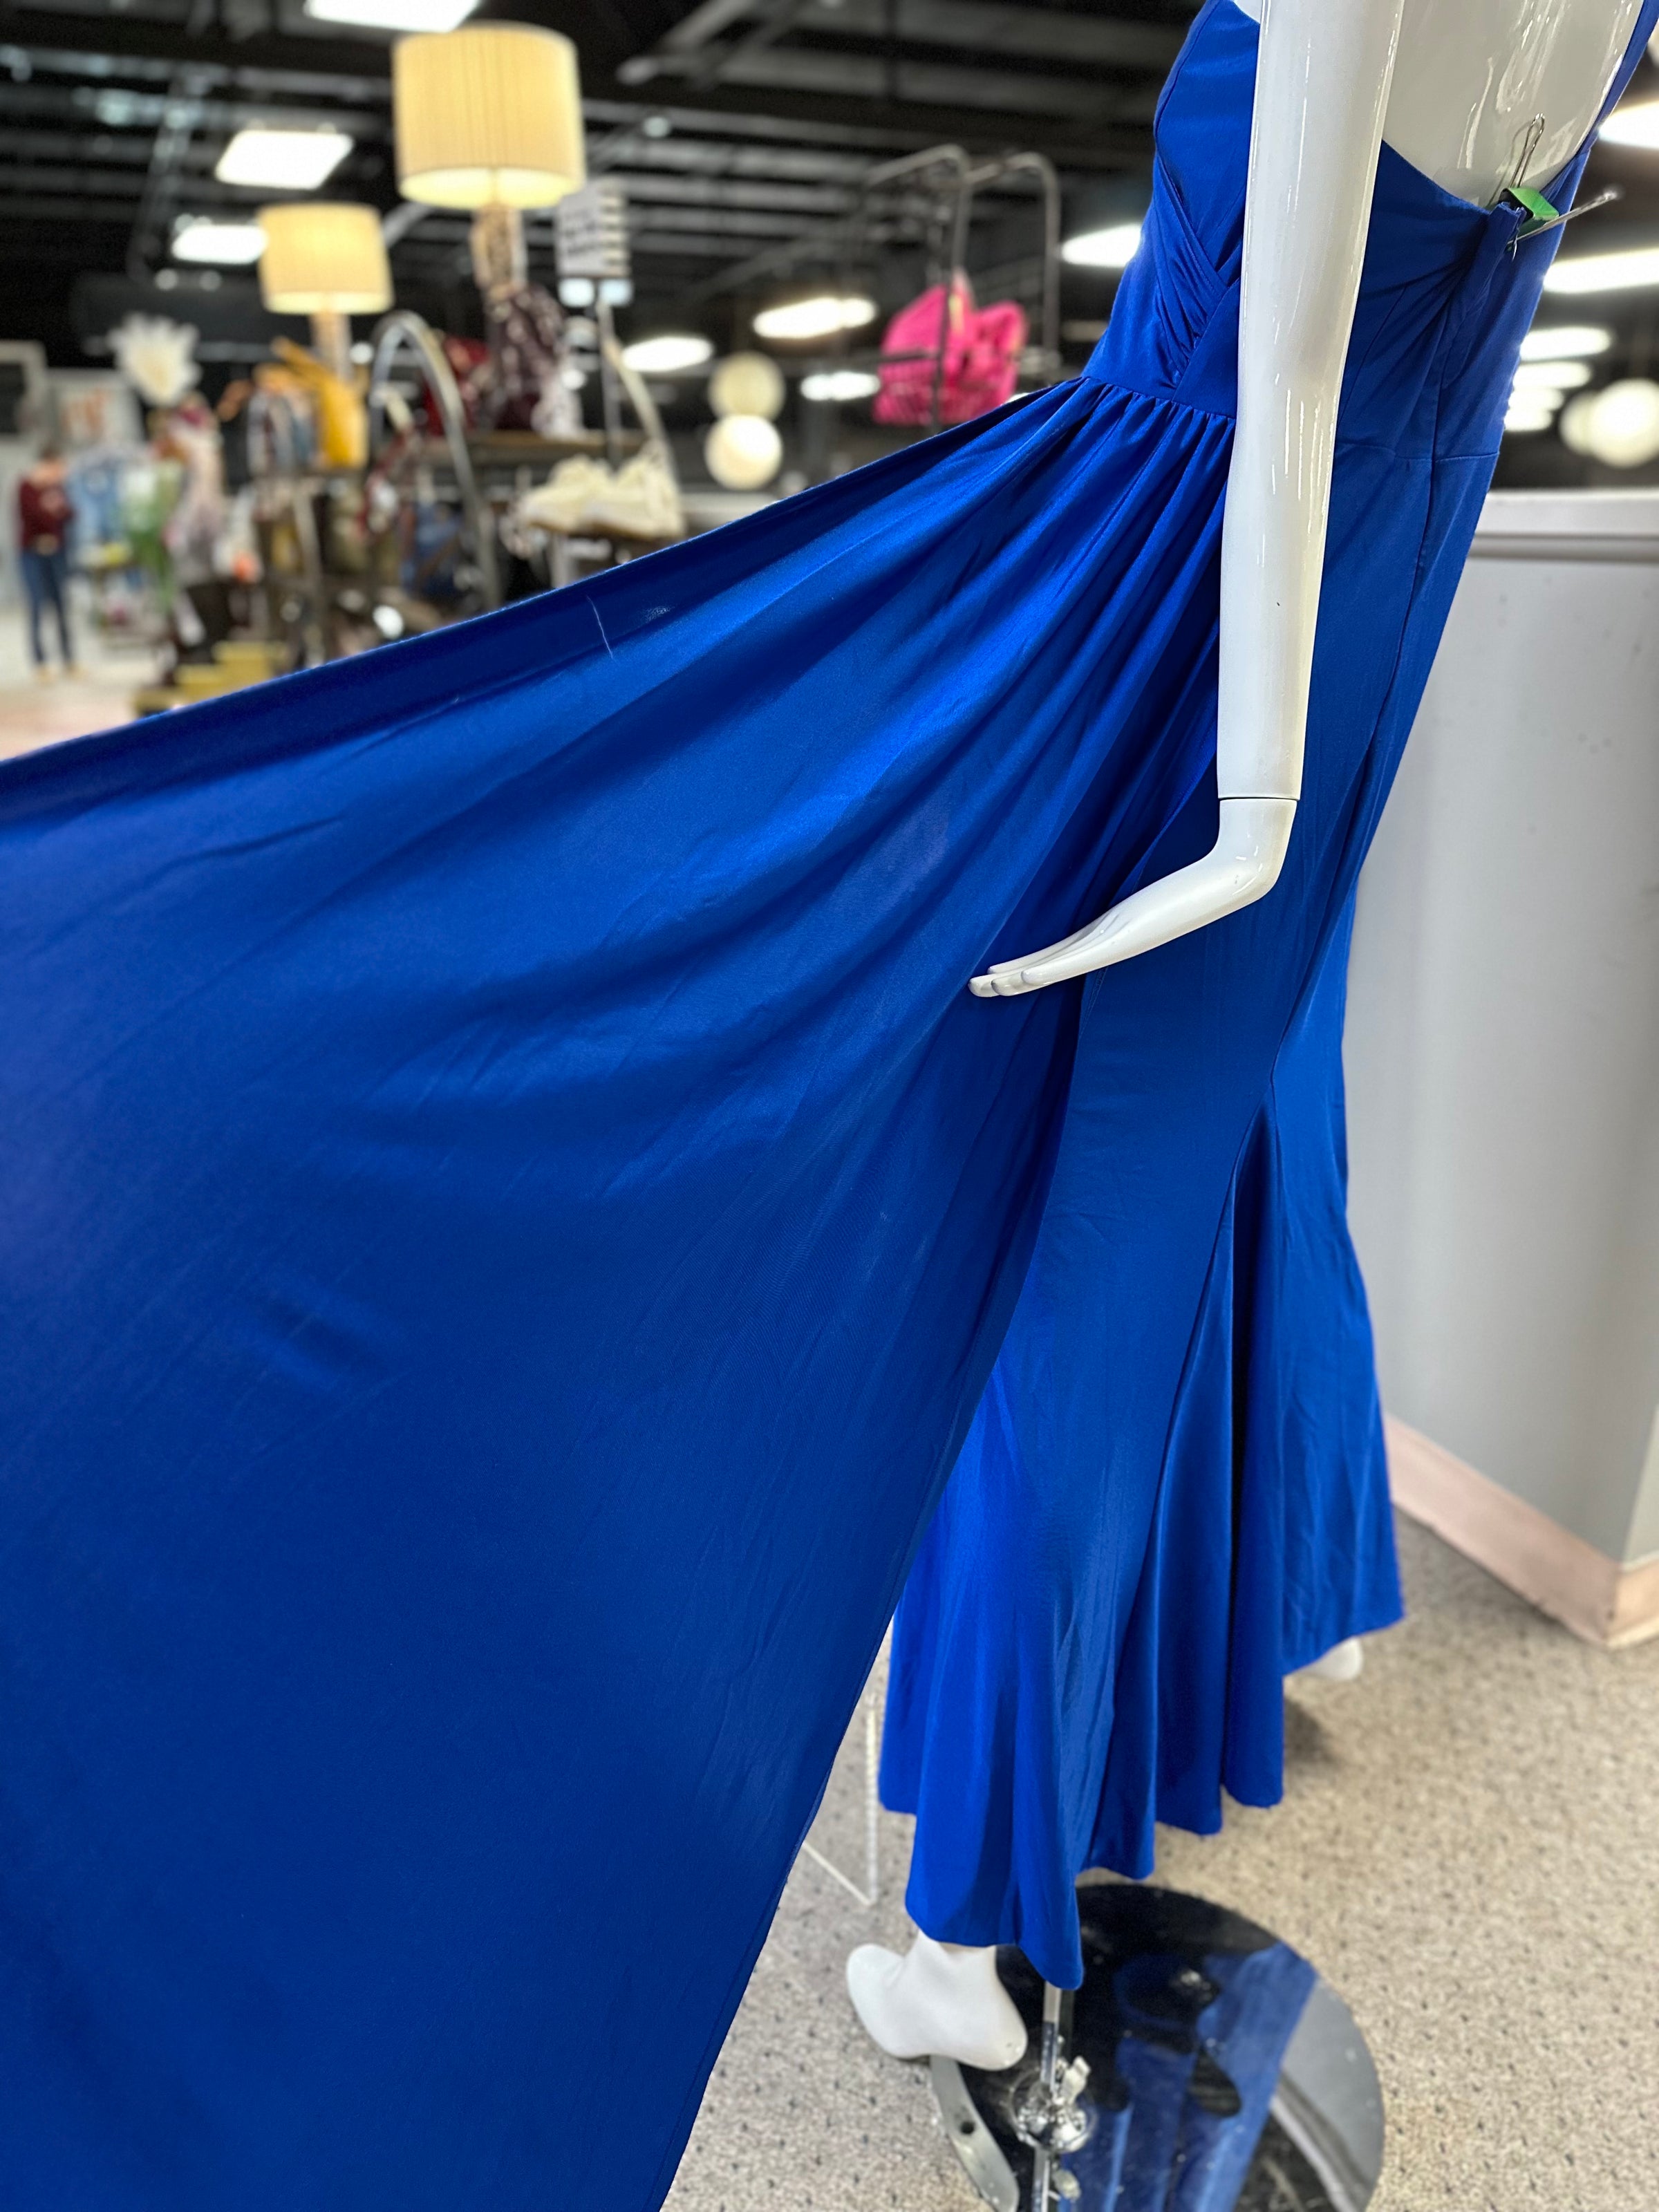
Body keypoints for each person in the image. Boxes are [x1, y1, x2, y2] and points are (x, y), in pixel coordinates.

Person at [16, 441, 77, 679]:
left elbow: (70, 514)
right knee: (36, 606)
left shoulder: (56, 488)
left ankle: (69, 659)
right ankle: (40, 663)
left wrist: (57, 505)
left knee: (62, 605)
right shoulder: (26, 486)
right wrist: (50, 507)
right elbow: (33, 517)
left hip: (56, 552)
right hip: (32, 554)